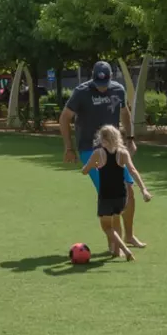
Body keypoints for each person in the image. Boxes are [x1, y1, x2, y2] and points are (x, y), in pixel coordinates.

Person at [59, 61, 144, 249]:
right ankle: (114, 245)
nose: (102, 88)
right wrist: (69, 148)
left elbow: (125, 113)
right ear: (93, 77)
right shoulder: (81, 92)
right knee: (110, 194)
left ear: (111, 78)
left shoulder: (118, 90)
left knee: (128, 190)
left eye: (105, 84)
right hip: (91, 149)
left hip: (115, 149)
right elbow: (64, 118)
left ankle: (129, 236)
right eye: (98, 84)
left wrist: (130, 138)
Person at [80, 124, 151, 260]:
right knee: (116, 219)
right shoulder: (123, 153)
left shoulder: (98, 153)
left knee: (107, 227)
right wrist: (144, 190)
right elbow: (133, 171)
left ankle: (125, 249)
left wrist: (93, 166)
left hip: (106, 195)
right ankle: (117, 252)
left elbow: (84, 171)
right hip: (121, 195)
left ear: (102, 139)